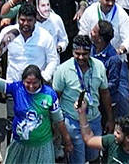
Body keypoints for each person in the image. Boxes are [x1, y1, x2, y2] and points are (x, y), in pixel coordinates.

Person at [0, 61, 71, 163]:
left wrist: (67, 141)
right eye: (27, 82)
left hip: (42, 147)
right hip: (19, 145)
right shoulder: (17, 88)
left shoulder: (49, 94)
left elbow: (59, 120)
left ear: (41, 81)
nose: (31, 86)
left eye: (35, 83)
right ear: (22, 81)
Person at [53, 33, 112, 164]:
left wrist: (110, 119)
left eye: (84, 54)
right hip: (72, 122)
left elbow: (105, 93)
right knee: (77, 160)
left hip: (94, 121)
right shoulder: (62, 70)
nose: (80, 57)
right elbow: (55, 98)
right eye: (77, 53)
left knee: (94, 158)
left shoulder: (99, 67)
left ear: (91, 51)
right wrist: (59, 127)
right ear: (72, 51)